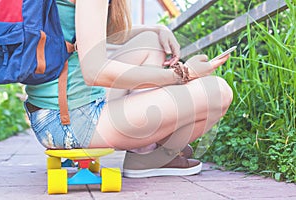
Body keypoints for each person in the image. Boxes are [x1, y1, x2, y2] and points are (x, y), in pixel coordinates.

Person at [24, 0, 233, 178]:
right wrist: (181, 75)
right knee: (217, 91)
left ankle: (144, 149)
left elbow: (98, 35)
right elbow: (95, 72)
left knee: (150, 42)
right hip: (71, 123)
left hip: (50, 115)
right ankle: (152, 157)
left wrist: (158, 29)